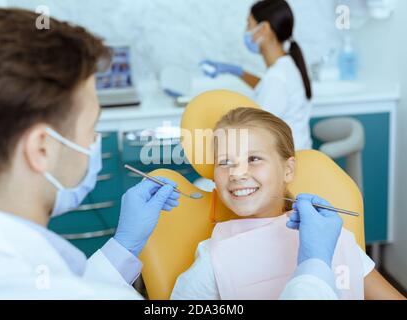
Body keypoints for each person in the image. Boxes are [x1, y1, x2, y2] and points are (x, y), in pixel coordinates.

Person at [0, 7, 357, 300]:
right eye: (92, 129)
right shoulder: (217, 257)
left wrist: (121, 248)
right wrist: (313, 269)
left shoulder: (16, 271)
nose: (93, 142)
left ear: (288, 167)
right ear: (41, 149)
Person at [171, 108, 405, 300]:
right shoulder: (215, 257)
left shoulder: (327, 236)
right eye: (224, 162)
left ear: (288, 170)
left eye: (253, 158)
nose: (237, 173)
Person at [201, 0, 312, 151]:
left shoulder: (277, 77)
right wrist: (237, 71)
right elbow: (265, 86)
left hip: (287, 167)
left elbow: (253, 131)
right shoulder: (285, 66)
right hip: (294, 158)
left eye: (249, 25)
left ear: (264, 29)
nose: (246, 31)